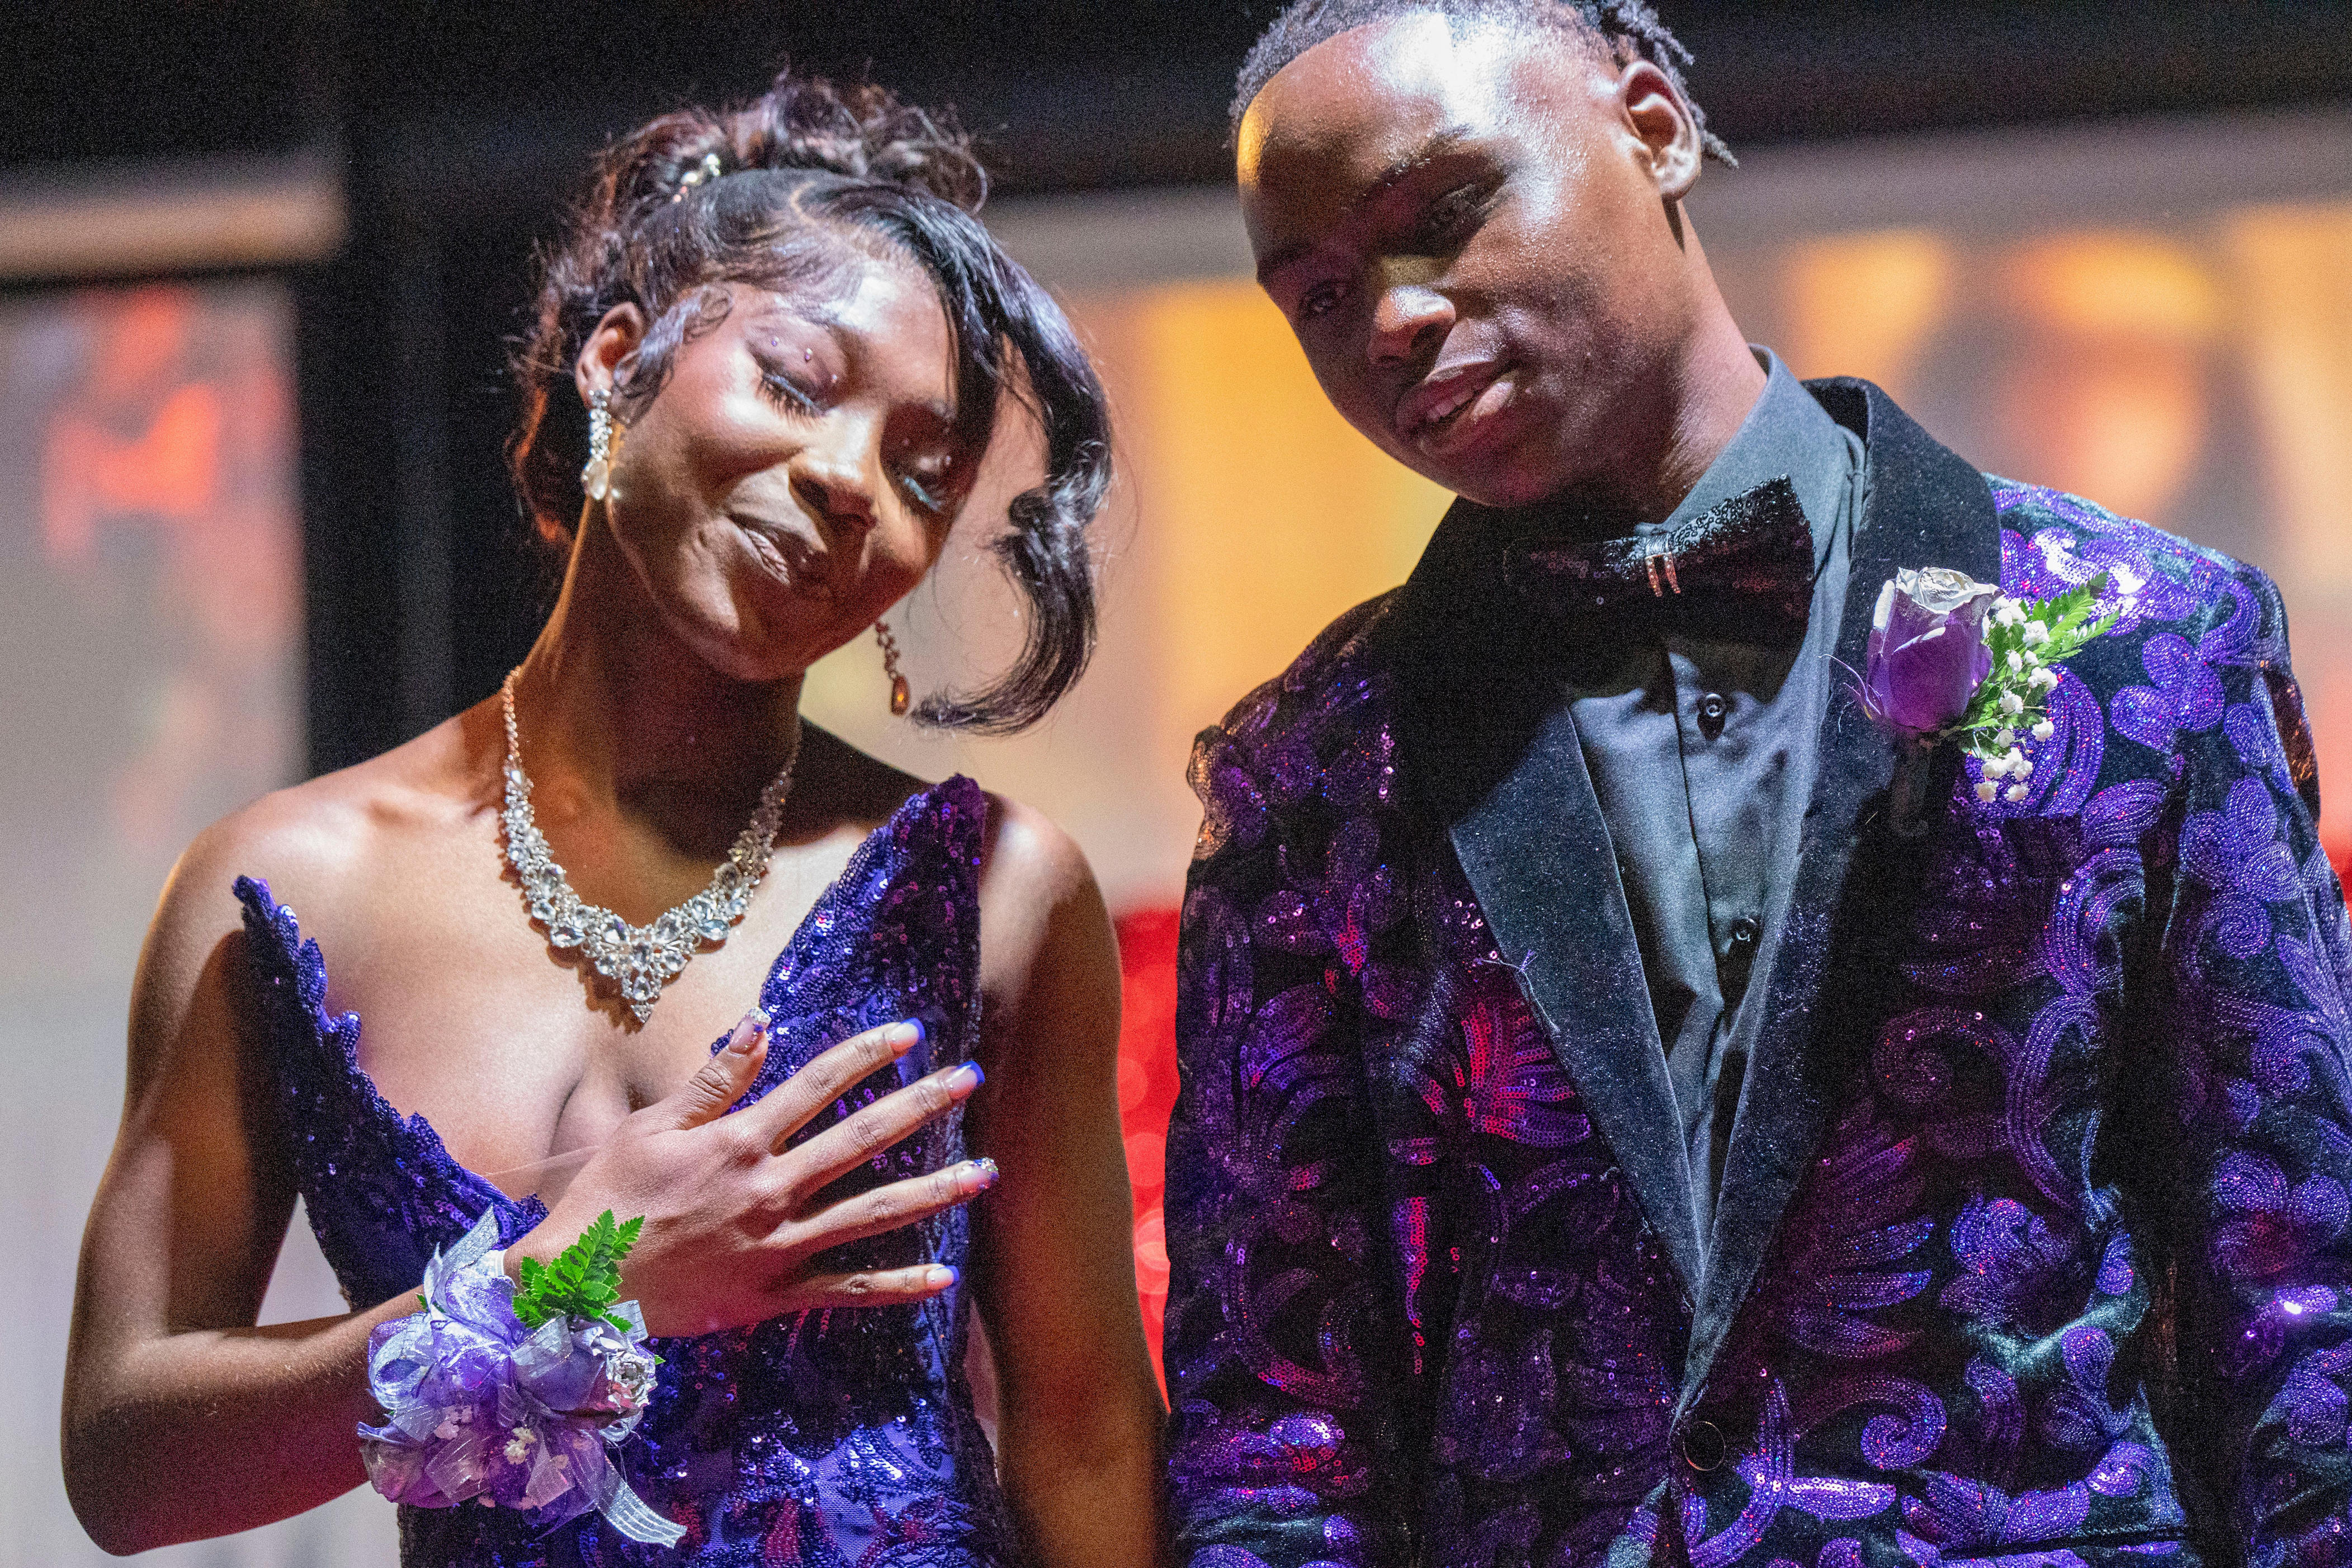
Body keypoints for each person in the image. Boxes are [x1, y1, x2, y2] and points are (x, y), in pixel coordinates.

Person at [1161, 4, 2352, 1567]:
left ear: (1653, 129)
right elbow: (1275, 1432)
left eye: (1441, 213)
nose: (1387, 318)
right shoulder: (1309, 768)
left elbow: (2304, 1300)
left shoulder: (2148, 641)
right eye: (1317, 293)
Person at [63, 71, 1164, 1568]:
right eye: (798, 383)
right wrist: (570, 1281)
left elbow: (1086, 1440)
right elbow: (125, 1463)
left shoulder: (987, 890)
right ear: (617, 358)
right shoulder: (286, 886)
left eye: (923, 474)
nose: (853, 483)